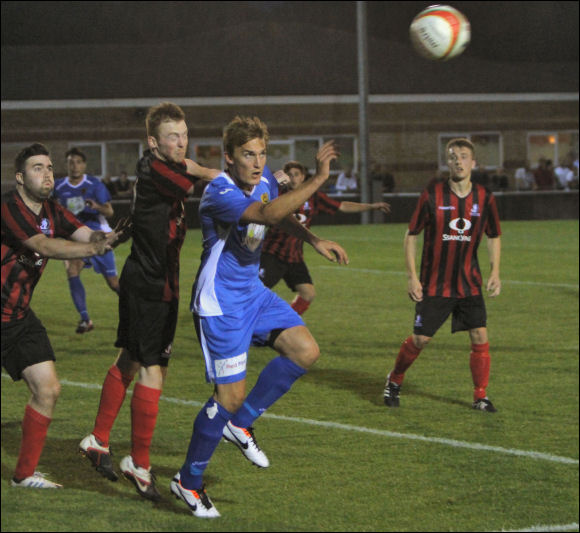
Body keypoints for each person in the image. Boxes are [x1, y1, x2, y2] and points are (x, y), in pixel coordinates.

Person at [171, 116, 349, 518]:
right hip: (222, 304)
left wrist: (314, 239)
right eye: (247, 154)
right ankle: (188, 482)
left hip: (253, 292)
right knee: (228, 397)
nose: (256, 161)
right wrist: (318, 178)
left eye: (261, 153)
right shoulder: (220, 193)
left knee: (305, 351)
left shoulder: (265, 178)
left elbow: (280, 213)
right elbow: (267, 216)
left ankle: (242, 424)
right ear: (229, 158)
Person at [78, 102, 219, 501]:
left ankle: (98, 440)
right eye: (173, 136)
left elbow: (190, 168)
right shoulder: (154, 168)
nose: (182, 142)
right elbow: (194, 179)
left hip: (160, 282)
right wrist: (222, 174)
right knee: (152, 371)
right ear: (153, 142)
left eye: (185, 134)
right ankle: (139, 464)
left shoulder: (161, 164)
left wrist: (202, 167)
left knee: (132, 361)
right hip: (149, 284)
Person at [2, 143, 120, 489]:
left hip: (18, 317)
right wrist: (93, 247)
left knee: (48, 389)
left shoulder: (53, 211)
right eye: (38, 168)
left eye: (50, 167)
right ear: (20, 178)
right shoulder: (10, 208)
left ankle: (23, 476)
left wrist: (115, 236)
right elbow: (46, 246)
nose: (48, 173)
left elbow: (89, 235)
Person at [382, 138, 502, 413]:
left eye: (463, 156)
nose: (458, 161)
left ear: (473, 162)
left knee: (480, 336)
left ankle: (480, 396)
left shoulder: (485, 197)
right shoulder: (432, 195)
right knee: (420, 339)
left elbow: (494, 235)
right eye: (452, 157)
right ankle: (395, 379)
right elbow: (411, 235)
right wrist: (412, 277)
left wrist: (495, 272)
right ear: (447, 162)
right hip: (435, 283)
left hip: (469, 283)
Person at [260, 160, 390, 315]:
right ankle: (242, 325)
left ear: (303, 177)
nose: (293, 178)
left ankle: (279, 323)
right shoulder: (277, 193)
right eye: (290, 174)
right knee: (255, 293)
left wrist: (371, 206)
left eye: (296, 174)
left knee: (308, 294)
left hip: (294, 257)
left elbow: (342, 206)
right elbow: (261, 187)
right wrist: (276, 177)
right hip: (272, 253)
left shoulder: (313, 197)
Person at [53, 147, 119, 333]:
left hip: (97, 236)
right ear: (66, 165)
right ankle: (85, 319)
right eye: (71, 162)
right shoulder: (58, 186)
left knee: (114, 283)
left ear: (84, 165)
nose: (74, 166)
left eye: (78, 162)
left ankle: (135, 310)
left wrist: (96, 206)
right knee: (72, 270)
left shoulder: (94, 184)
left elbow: (110, 211)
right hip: (74, 238)